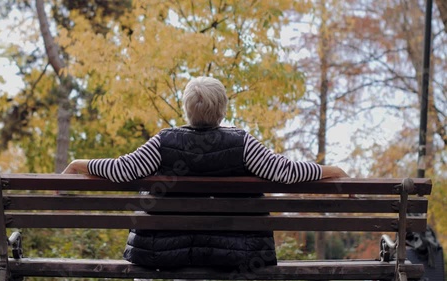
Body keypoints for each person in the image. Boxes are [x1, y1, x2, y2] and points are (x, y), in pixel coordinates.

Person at [63, 76, 348, 270]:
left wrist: (80, 163)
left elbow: (123, 169)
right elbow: (285, 171)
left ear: (186, 108)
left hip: (163, 255)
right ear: (222, 109)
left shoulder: (163, 142)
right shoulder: (243, 143)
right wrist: (332, 170)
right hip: (237, 256)